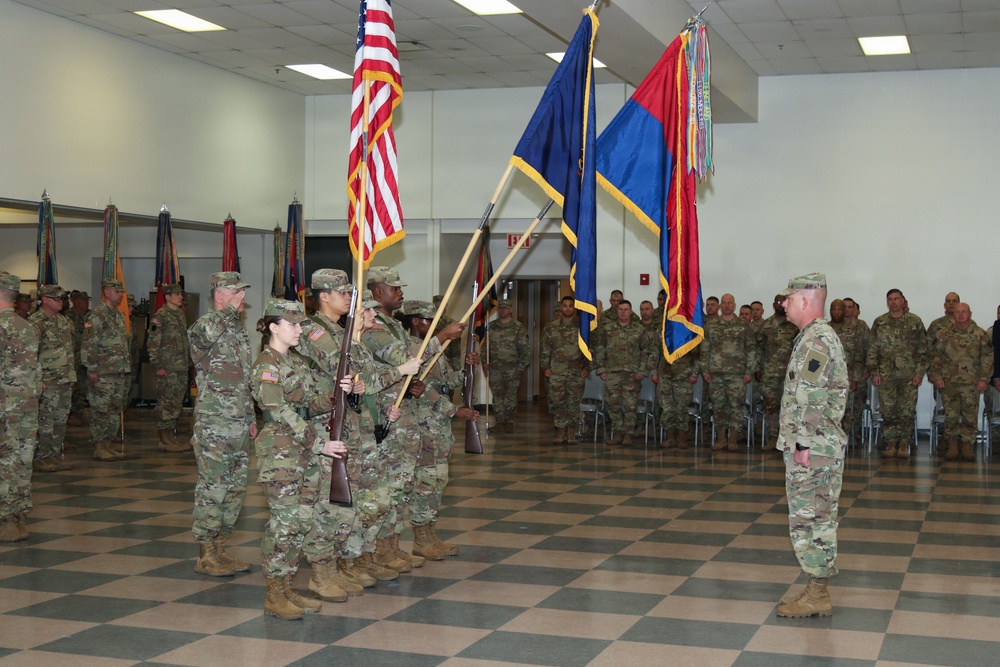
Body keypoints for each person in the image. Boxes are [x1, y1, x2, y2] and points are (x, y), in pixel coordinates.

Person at [296, 269, 419, 596]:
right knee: (328, 504)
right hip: (325, 427)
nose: (350, 300)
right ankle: (321, 572)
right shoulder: (314, 331)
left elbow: (357, 375)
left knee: (356, 503)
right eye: (344, 294)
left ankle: (345, 563)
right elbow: (334, 364)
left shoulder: (340, 332)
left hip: (353, 425)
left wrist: (361, 384)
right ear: (324, 296)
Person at [251, 298, 351, 619]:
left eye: (300, 324)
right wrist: (319, 443)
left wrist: (337, 394)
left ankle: (288, 587)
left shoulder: (295, 361)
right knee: (284, 524)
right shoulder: (267, 366)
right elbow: (279, 412)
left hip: (303, 452)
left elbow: (309, 403)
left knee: (301, 521)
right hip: (281, 453)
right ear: (274, 327)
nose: (299, 330)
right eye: (293, 324)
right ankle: (274, 593)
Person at [774, 273, 848, 618]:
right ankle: (815, 587)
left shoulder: (816, 341)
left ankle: (818, 593)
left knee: (812, 518)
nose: (783, 303)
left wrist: (802, 444)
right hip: (815, 445)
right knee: (813, 516)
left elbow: (811, 398)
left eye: (789, 298)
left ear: (805, 299)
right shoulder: (813, 338)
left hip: (813, 447)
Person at [187, 271, 256, 577]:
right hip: (214, 422)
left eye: (243, 293)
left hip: (239, 422)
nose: (242, 298)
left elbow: (246, 380)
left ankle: (220, 547)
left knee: (235, 489)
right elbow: (203, 338)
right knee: (213, 487)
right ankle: (205, 553)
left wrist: (252, 417)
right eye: (236, 292)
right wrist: (229, 310)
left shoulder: (239, 333)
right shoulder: (204, 325)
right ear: (220, 295)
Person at [404, 300, 480, 559]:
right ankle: (419, 537)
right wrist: (453, 410)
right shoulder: (411, 350)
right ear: (415, 321)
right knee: (425, 482)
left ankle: (430, 532)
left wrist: (468, 368)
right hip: (422, 424)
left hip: (439, 427)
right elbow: (419, 389)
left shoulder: (435, 349)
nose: (433, 325)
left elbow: (448, 380)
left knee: (438, 481)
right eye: (428, 320)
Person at [0, 272, 40, 542]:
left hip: (4, 404)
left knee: (5, 460)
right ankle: (20, 517)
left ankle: (5, 519)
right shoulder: (29, 326)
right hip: (27, 403)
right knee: (24, 459)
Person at [867, 289, 926, 459]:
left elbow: (922, 350)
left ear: (903, 301)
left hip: (908, 376)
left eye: (896, 299)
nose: (893, 302)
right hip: (886, 376)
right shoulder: (880, 322)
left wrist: (919, 373)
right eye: (890, 299)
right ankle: (891, 443)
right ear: (887, 302)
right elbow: (872, 349)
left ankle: (904, 443)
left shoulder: (915, 322)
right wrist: (874, 372)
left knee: (906, 412)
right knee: (888, 411)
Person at [929, 303, 992, 461]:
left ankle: (967, 445)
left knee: (970, 416)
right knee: (950, 415)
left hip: (971, 384)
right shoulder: (944, 334)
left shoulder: (980, 334)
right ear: (953, 314)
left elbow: (987, 358)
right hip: (949, 383)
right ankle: (952, 445)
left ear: (970, 314)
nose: (961, 315)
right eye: (958, 312)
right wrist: (936, 377)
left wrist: (984, 379)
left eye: (964, 312)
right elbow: (935, 357)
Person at [81, 278, 131, 462]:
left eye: (121, 292)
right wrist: (92, 368)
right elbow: (89, 343)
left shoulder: (117, 315)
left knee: (114, 409)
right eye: (117, 291)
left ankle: (108, 444)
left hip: (118, 370)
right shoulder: (97, 315)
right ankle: (98, 446)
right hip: (102, 371)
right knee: (101, 410)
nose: (120, 295)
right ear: (107, 292)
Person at [29, 285, 76, 472]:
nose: (60, 302)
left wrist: (71, 375)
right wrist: (37, 379)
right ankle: (41, 457)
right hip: (47, 381)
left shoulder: (64, 321)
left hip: (65, 379)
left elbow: (70, 350)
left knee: (60, 420)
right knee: (45, 421)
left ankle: (54, 455)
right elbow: (31, 354)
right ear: (45, 300)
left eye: (61, 299)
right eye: (56, 298)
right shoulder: (35, 323)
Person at [702, 293, 754, 451]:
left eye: (729, 303)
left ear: (734, 305)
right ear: (720, 306)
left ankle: (733, 438)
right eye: (724, 303)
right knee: (718, 407)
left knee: (736, 407)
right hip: (716, 373)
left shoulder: (744, 326)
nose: (726, 305)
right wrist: (704, 370)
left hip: (737, 374)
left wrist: (749, 371)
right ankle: (721, 438)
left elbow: (751, 350)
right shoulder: (710, 326)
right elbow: (704, 349)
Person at [593, 299, 649, 446]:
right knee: (613, 404)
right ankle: (618, 432)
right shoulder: (607, 328)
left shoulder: (639, 329)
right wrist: (601, 369)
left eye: (626, 309)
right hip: (612, 372)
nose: (623, 312)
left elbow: (646, 351)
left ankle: (628, 434)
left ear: (631, 312)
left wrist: (642, 370)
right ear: (616, 311)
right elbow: (600, 349)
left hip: (632, 373)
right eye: (620, 309)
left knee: (631, 406)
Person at [147, 284, 191, 452]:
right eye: (177, 294)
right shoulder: (161, 316)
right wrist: (157, 365)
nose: (180, 296)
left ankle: (171, 437)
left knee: (176, 403)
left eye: (181, 293)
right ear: (167, 296)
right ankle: (164, 439)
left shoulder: (179, 314)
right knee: (166, 403)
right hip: (167, 367)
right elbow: (152, 343)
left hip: (180, 366)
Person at [541, 296, 589, 443]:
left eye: (570, 306)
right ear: (561, 308)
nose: (568, 308)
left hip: (576, 371)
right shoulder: (551, 327)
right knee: (558, 402)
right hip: (557, 370)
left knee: (574, 403)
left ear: (574, 308)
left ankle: (572, 433)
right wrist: (546, 367)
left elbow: (588, 349)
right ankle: (561, 432)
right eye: (565, 306)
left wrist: (587, 367)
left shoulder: (582, 327)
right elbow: (546, 348)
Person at [757, 294, 799, 450]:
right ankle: (773, 438)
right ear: (773, 305)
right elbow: (759, 349)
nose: (780, 305)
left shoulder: (794, 326)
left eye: (783, 302)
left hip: (790, 375)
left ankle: (788, 441)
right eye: (778, 302)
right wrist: (758, 368)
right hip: (769, 375)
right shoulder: (766, 325)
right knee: (771, 408)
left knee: (790, 408)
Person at [483, 298, 529, 432]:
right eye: (500, 308)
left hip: (512, 369)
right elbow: (485, 347)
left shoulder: (518, 327)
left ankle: (509, 422)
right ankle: (499, 422)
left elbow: (525, 350)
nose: (502, 310)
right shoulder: (491, 326)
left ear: (510, 310)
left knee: (510, 397)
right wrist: (484, 362)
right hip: (495, 368)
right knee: (497, 397)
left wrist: (521, 368)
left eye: (505, 308)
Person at [829, 299, 866, 434]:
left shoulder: (853, 331)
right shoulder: (825, 329)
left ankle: (845, 439)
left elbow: (858, 356)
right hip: (827, 378)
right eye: (834, 309)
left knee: (846, 411)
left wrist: (856, 378)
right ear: (830, 311)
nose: (837, 312)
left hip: (847, 377)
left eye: (840, 309)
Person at [67, 290, 91, 426]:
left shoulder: (90, 316)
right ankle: (73, 413)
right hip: (74, 356)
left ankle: (79, 411)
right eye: (83, 300)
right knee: (74, 386)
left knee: (84, 386)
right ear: (76, 302)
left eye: (87, 300)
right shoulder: (68, 316)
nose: (86, 302)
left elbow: (91, 333)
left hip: (86, 355)